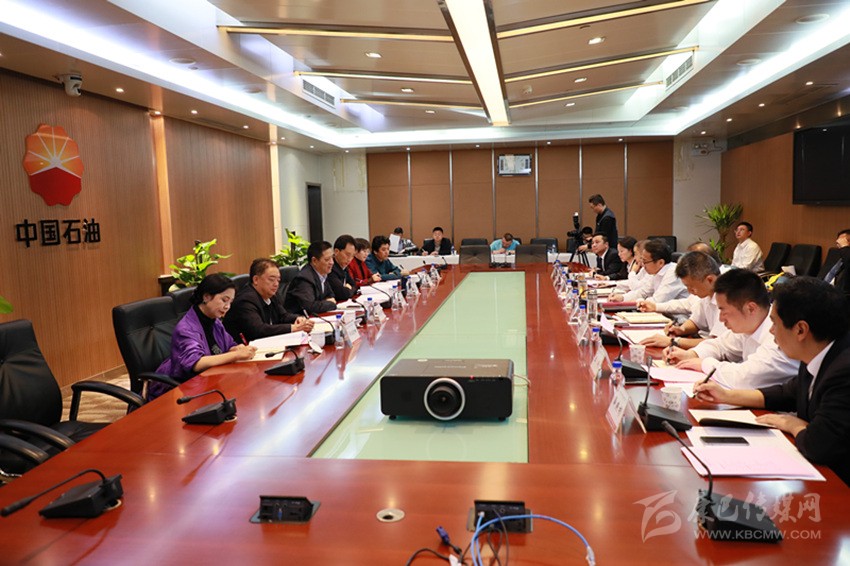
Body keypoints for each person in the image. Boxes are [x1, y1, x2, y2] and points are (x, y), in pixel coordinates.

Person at [694, 276, 850, 485]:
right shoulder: (816, 352)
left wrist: (793, 424)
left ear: (800, 330)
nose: (770, 330)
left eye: (775, 322)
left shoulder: (844, 370)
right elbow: (788, 393)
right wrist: (727, 396)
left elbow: (820, 445)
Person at [665, 268, 797, 389]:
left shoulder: (780, 335)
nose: (721, 319)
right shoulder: (749, 324)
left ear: (750, 308)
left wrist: (704, 363)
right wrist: (691, 355)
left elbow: (745, 378)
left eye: (724, 311)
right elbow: (720, 345)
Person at [151, 274, 256, 400]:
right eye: (224, 300)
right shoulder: (186, 328)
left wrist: (237, 348)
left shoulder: (214, 320)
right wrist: (236, 355)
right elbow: (196, 363)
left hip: (209, 381)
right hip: (178, 392)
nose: (227, 306)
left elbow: (229, 345)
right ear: (206, 297)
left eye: (230, 302)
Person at [638, 251, 725, 349]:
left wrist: (674, 342)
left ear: (710, 280)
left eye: (691, 287)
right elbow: (696, 322)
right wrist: (681, 329)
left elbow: (718, 344)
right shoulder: (707, 293)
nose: (689, 291)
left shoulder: (727, 297)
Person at [224, 258, 313, 342]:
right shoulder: (245, 301)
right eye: (271, 279)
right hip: (245, 349)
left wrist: (298, 318)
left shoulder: (270, 294)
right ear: (256, 279)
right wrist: (294, 328)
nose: (276, 284)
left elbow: (283, 316)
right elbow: (258, 330)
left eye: (278, 280)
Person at [609, 239, 687, 303]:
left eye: (645, 261)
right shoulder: (656, 271)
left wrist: (638, 301)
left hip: (677, 316)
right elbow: (643, 292)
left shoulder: (673, 273)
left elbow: (658, 300)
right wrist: (622, 298)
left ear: (660, 262)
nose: (643, 264)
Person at [284, 240, 337, 315]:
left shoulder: (322, 274)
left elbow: (331, 295)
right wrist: (330, 304)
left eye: (332, 258)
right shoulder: (304, 278)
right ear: (314, 261)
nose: (332, 262)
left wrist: (327, 302)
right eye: (327, 259)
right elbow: (310, 307)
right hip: (299, 319)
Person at [327, 234, 359, 301]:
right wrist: (349, 289)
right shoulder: (330, 268)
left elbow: (354, 285)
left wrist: (349, 288)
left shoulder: (344, 267)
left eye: (352, 256)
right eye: (347, 254)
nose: (350, 259)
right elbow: (343, 294)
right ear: (336, 251)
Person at [824, 228, 850, 297]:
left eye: (844, 242)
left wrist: (845, 247)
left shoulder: (846, 256)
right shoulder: (838, 255)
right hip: (826, 292)